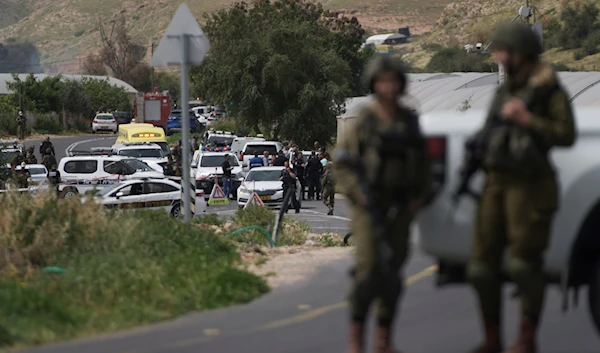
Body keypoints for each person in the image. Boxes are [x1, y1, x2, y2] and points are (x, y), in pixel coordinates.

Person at [465, 23, 576, 353]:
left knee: (524, 265)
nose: (498, 57)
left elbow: (565, 134)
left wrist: (529, 120)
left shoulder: (548, 89)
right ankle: (492, 338)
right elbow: (487, 130)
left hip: (530, 185)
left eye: (503, 51)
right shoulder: (505, 90)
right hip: (495, 183)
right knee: (480, 268)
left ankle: (526, 339)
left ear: (521, 53)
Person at [335, 54, 431, 353]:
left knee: (392, 275)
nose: (388, 87)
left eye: (393, 81)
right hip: (368, 205)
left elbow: (426, 166)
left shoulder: (409, 121)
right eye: (382, 81)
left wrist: (420, 198)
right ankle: (355, 339)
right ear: (374, 84)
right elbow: (342, 163)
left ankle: (383, 340)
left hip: (401, 207)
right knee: (368, 271)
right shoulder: (364, 120)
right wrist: (356, 192)